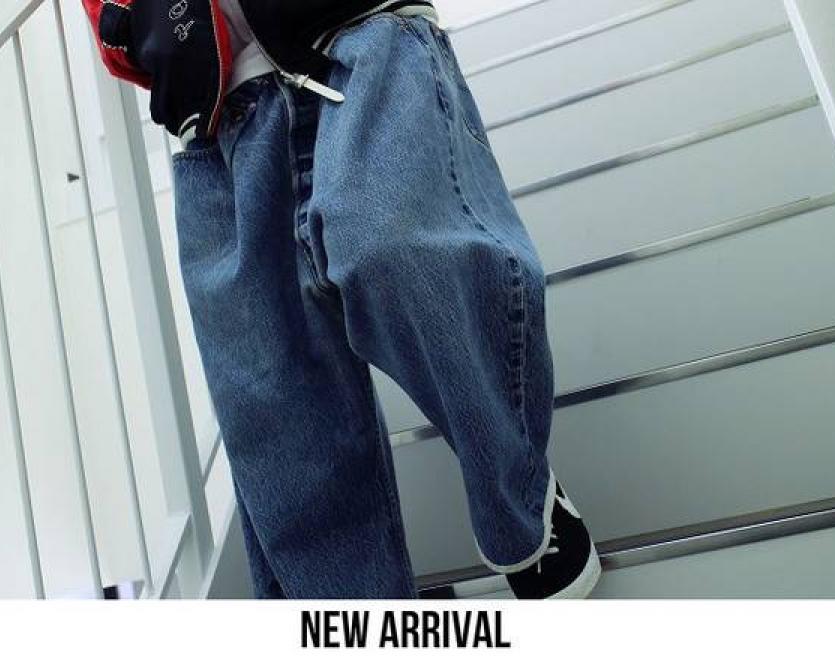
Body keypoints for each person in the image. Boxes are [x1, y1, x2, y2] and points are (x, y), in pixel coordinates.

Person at [82, 0, 601, 600]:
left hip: (358, 34)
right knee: (277, 401)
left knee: (402, 253)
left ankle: (521, 497)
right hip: (218, 118)